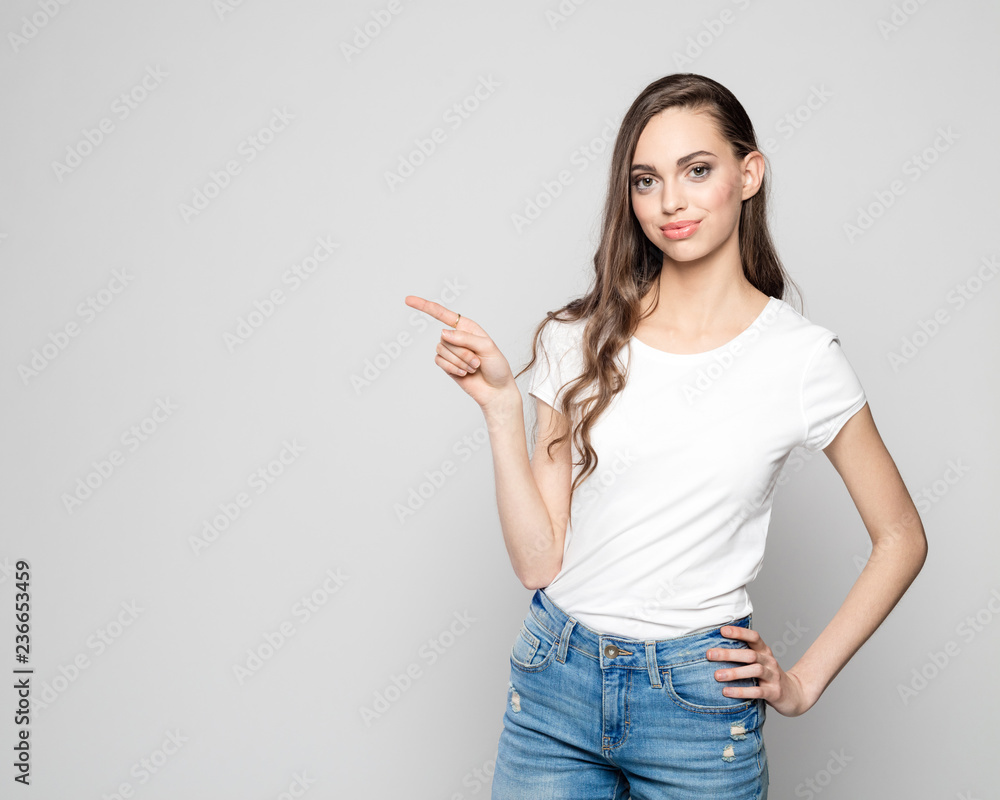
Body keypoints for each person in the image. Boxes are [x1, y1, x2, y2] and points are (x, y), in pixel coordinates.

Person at [404, 73, 927, 799]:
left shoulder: (801, 360)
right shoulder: (575, 337)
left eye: (698, 171)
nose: (670, 202)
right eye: (646, 180)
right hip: (555, 683)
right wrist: (499, 405)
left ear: (749, 175)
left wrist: (802, 683)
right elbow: (536, 563)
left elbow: (901, 535)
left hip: (697, 704)